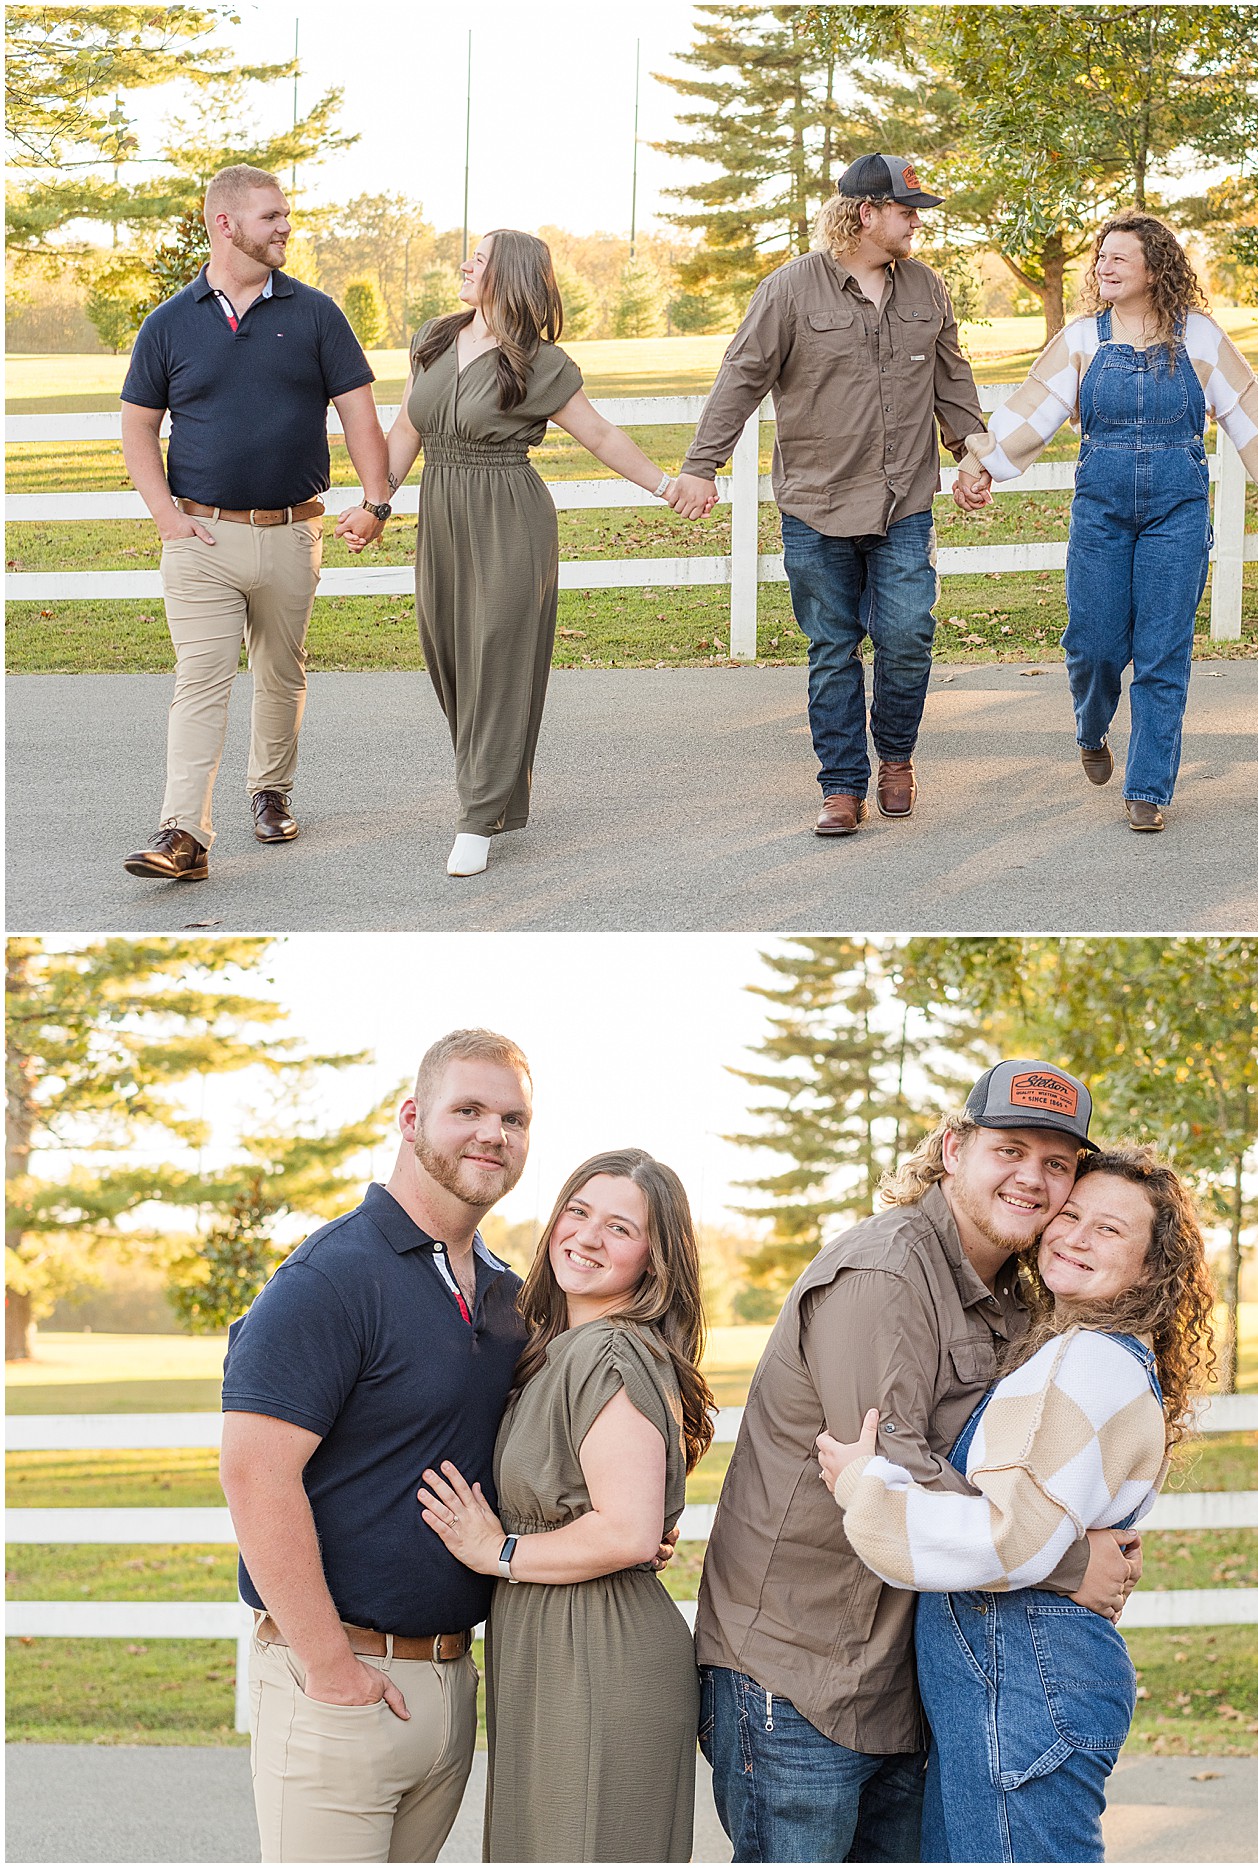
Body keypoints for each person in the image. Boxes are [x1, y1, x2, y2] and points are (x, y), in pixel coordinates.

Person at [694, 1059, 1143, 1863]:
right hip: (800, 1675)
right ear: (954, 1149)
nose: (1032, 1180)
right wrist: (1067, 1560)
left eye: (1057, 1164)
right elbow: (891, 1475)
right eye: (1010, 1150)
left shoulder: (1016, 1296)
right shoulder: (886, 1273)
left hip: (897, 1678)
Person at [818, 1145, 1216, 1864]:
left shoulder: (1086, 1360)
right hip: (1024, 1679)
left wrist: (862, 1488)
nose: (1074, 1236)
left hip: (1026, 1680)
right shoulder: (1091, 1353)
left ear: (1153, 1268)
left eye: (1109, 1230)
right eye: (1070, 1216)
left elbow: (1009, 1540)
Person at [219, 1028, 535, 1863]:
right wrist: (330, 1669)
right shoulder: (331, 1277)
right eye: (466, 1110)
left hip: (451, 1686)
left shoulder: (508, 1296)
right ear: (410, 1118)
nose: (491, 1134)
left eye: (513, 1118)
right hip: (337, 1683)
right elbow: (254, 1475)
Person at [957, 209, 1258, 833]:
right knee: (1094, 644)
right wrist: (981, 464)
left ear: (1155, 269)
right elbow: (1031, 411)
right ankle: (1091, 727)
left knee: (1164, 651)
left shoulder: (1201, 339)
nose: (1103, 265)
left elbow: (1249, 410)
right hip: (1100, 513)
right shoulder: (1081, 340)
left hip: (1177, 513)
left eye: (1118, 258)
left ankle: (1148, 788)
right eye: (1100, 256)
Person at [670, 154, 993, 838]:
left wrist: (971, 454)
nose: (916, 225)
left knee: (907, 637)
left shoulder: (927, 289)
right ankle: (843, 786)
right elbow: (740, 379)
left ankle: (897, 759)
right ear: (866, 212)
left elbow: (952, 383)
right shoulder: (789, 290)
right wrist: (703, 464)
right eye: (907, 211)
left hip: (903, 498)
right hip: (815, 505)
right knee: (832, 648)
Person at [383, 231, 710, 878]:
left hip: (509, 518)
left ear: (511, 275)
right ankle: (491, 788)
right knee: (451, 658)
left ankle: (477, 815)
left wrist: (667, 486)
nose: (465, 265)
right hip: (442, 515)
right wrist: (375, 503)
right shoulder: (435, 338)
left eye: (479, 259)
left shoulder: (541, 362)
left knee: (498, 656)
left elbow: (599, 433)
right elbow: (406, 428)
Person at [418, 1148, 712, 1862]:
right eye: (577, 1213)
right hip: (553, 1645)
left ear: (654, 1258)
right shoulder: (560, 1348)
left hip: (597, 1652)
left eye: (619, 1227)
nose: (585, 1236)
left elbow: (630, 1531)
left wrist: (499, 1551)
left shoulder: (607, 1352)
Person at [121, 164, 393, 882]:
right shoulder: (169, 323)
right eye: (272, 216)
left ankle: (271, 792)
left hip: (292, 532)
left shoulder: (315, 314)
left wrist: (377, 499)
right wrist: (164, 517)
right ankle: (183, 834)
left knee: (281, 670)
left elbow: (359, 414)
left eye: (285, 215)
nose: (285, 227)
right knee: (201, 677)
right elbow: (138, 428)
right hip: (200, 539)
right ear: (226, 224)